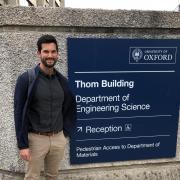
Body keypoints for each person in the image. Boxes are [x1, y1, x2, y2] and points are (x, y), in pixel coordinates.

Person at [14, 34, 76, 180]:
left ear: (57, 54)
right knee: (32, 177)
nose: (50, 55)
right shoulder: (26, 79)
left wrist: (64, 134)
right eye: (46, 51)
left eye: (53, 52)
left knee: (52, 176)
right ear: (39, 53)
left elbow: (69, 107)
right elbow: (18, 113)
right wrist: (22, 145)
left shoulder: (62, 81)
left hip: (58, 138)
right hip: (36, 139)